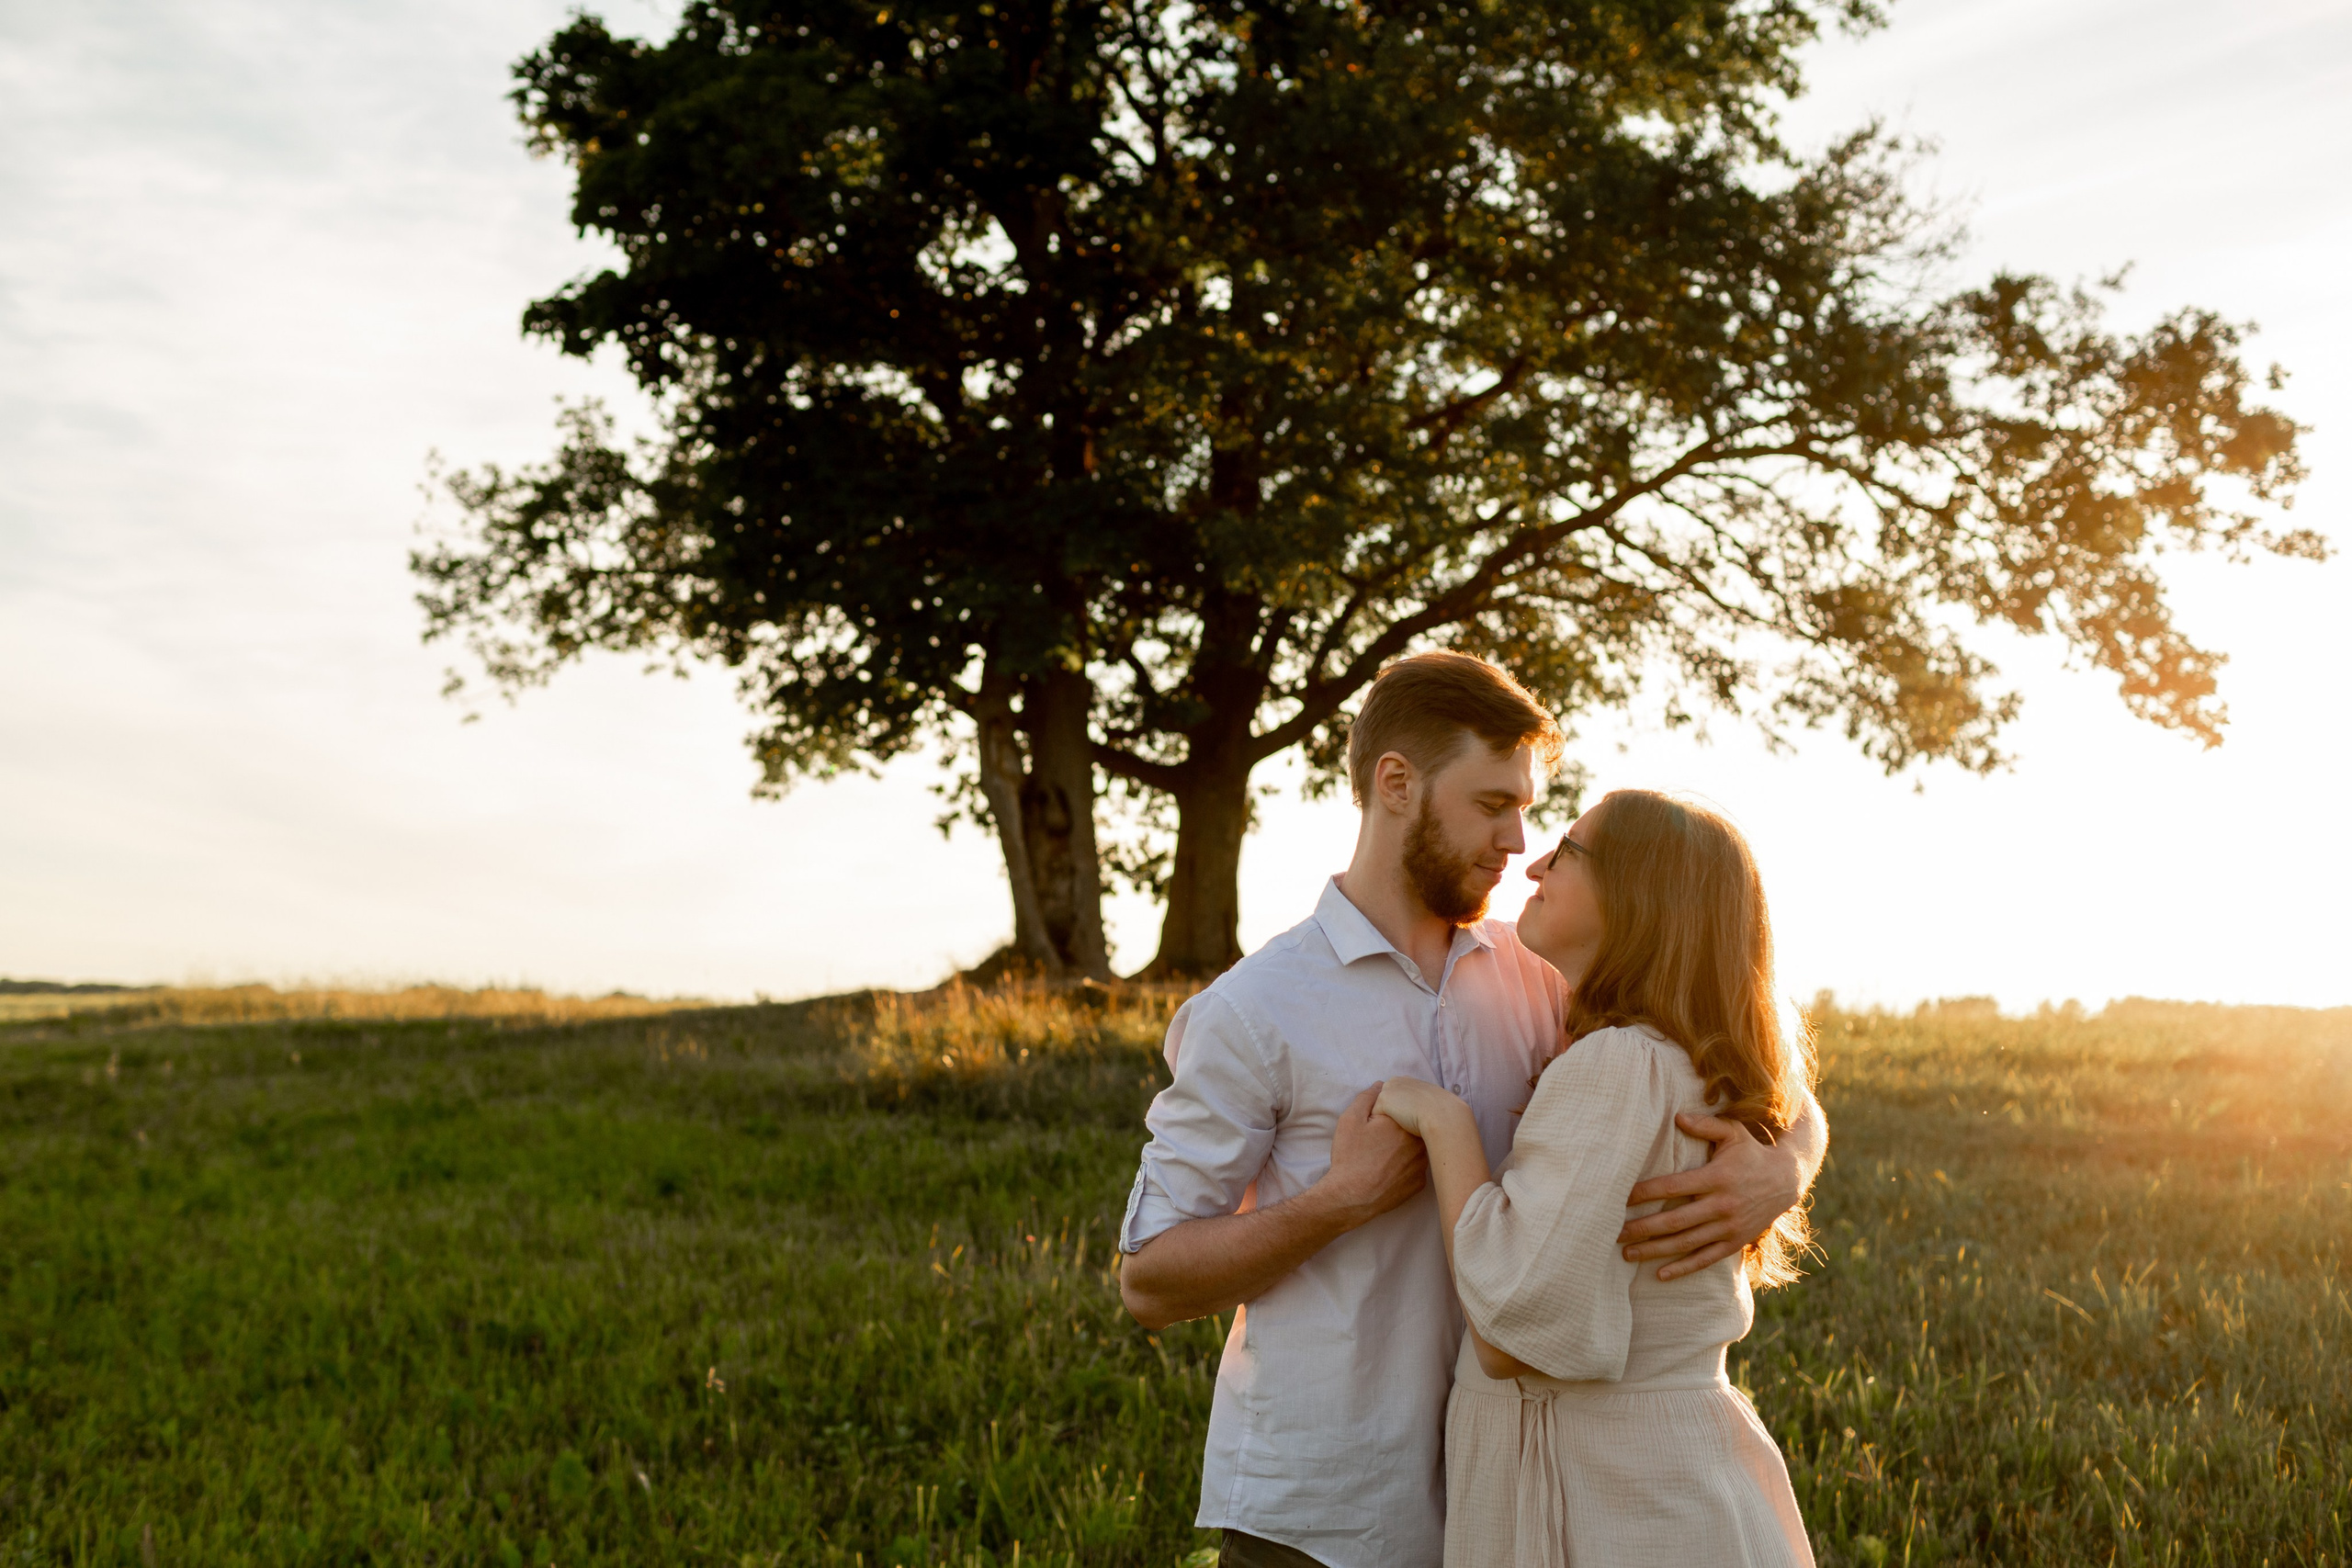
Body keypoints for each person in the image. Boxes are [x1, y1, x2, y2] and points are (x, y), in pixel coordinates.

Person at [1116, 652, 1826, 1568]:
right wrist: (1338, 1199)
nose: (1518, 839)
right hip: (1329, 1511)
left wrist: (1782, 1164)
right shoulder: (1254, 1012)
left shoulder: (1545, 969)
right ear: (1397, 784)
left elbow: (1739, 1040)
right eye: (1493, 804)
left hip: (1529, 1498)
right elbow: (1150, 1280)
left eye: (1531, 808)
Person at [1374, 790, 1816, 1567]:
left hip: (1610, 1492)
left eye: (1568, 850)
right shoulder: (1695, 1066)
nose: (1535, 864)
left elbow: (1511, 1330)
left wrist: (1444, 1125)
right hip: (1664, 1471)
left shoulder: (1619, 1064)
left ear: (1638, 895)